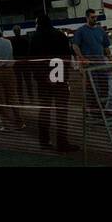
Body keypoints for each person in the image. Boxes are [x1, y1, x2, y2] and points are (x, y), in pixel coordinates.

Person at [27, 14, 74, 152]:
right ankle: (62, 142)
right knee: (61, 112)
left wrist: (42, 77)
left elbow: (32, 61)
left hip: (43, 80)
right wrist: (60, 75)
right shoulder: (60, 35)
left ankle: (44, 141)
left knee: (44, 110)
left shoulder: (35, 38)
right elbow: (66, 57)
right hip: (59, 78)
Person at [72, 8, 110, 110]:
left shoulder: (100, 30)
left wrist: (110, 60)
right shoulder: (81, 31)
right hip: (89, 65)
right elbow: (75, 46)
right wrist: (82, 58)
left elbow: (106, 46)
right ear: (87, 17)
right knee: (94, 88)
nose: (95, 19)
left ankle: (101, 109)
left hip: (101, 64)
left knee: (104, 87)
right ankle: (94, 111)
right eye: (92, 17)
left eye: (95, 17)